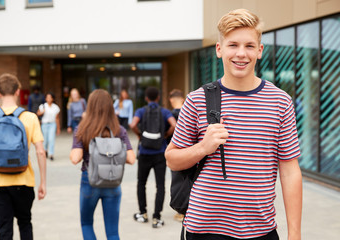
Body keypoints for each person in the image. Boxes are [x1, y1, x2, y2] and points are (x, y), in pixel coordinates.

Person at [165, 9, 302, 240]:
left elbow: (289, 171)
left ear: (259, 51)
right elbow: (172, 159)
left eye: (249, 46)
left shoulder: (280, 101)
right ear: (219, 50)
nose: (241, 53)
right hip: (203, 229)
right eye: (233, 45)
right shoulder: (197, 99)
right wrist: (203, 147)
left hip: (261, 230)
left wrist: (295, 234)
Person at [0, 73, 47, 239]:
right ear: (18, 91)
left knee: (4, 231)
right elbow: (40, 151)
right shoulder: (30, 118)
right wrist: (43, 182)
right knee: (25, 223)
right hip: (24, 182)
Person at [70, 89, 136, 240]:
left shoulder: (82, 128)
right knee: (112, 232)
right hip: (112, 181)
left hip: (90, 180)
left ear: (90, 107)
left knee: (86, 223)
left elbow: (75, 158)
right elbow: (131, 159)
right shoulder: (119, 130)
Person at [129, 86, 176, 228]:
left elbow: (132, 124)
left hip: (144, 152)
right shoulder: (164, 111)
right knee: (160, 185)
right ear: (158, 98)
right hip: (160, 153)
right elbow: (174, 124)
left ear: (146, 98)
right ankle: (157, 218)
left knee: (141, 183)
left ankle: (143, 213)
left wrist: (140, 136)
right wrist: (165, 135)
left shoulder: (141, 111)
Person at [167, 89, 186, 222]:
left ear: (171, 100)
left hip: (176, 153)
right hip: (191, 152)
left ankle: (181, 211)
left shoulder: (171, 115)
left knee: (177, 182)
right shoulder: (189, 113)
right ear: (183, 99)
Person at [37, 92, 60, 161]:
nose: (48, 99)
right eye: (47, 98)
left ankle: (51, 154)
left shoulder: (56, 107)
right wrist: (42, 112)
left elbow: (57, 118)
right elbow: (37, 113)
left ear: (52, 99)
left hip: (52, 124)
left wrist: (58, 128)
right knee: (45, 139)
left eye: (50, 97)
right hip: (44, 124)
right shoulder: (43, 106)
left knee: (51, 139)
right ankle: (45, 150)